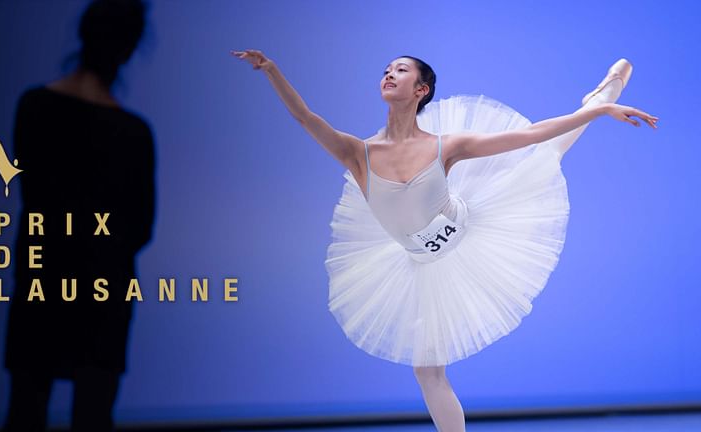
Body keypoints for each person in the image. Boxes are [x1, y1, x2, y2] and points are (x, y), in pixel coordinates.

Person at [232, 49, 656, 431]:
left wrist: (602, 113)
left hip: (473, 227)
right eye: (386, 69)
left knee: (543, 155)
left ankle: (598, 100)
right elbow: (305, 118)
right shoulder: (357, 153)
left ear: (421, 89)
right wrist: (272, 71)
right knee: (427, 371)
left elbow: (532, 134)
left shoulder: (447, 146)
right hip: (423, 262)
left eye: (401, 70)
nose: (389, 74)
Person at [2, 1, 155, 431]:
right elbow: (141, 227)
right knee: (94, 417)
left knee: (24, 413)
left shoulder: (34, 107)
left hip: (41, 280)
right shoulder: (134, 134)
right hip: (106, 293)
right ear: (130, 48)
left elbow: (33, 195)